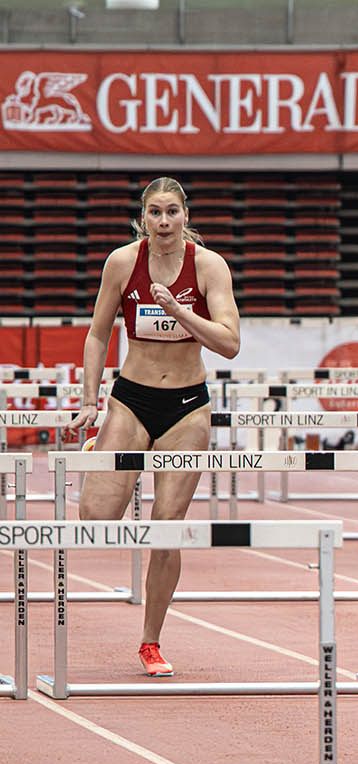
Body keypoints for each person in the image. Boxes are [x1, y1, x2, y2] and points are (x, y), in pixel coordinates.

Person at [65, 176, 241, 678]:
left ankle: (150, 641)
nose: (164, 222)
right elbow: (98, 334)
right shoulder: (123, 262)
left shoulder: (209, 266)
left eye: (172, 212)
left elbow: (230, 343)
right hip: (132, 398)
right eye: (155, 213)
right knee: (96, 519)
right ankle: (103, 447)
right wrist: (89, 400)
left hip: (187, 406)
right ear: (142, 217)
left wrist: (180, 311)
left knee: (166, 527)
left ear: (186, 216)